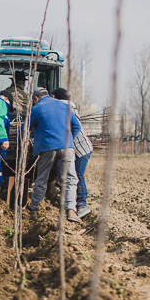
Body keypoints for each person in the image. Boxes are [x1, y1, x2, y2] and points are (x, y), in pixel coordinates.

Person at [27, 87, 82, 222]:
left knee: (41, 179)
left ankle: (36, 208)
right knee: (69, 179)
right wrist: (69, 140)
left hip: (47, 148)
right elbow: (77, 127)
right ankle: (71, 211)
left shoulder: (36, 108)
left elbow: (25, 129)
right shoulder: (64, 106)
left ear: (36, 98)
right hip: (67, 148)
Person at [53, 87, 93, 218]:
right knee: (74, 176)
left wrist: (67, 142)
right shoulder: (69, 108)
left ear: (55, 97)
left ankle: (82, 205)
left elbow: (75, 129)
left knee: (78, 176)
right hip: (77, 148)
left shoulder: (65, 109)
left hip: (81, 149)